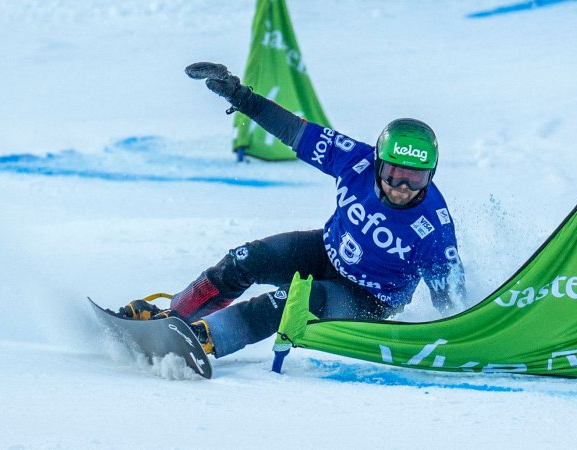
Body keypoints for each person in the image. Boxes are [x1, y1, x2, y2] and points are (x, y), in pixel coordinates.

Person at [118, 62, 466, 357]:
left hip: (368, 300)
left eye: (415, 180)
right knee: (245, 258)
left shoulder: (433, 229)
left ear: (431, 175)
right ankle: (171, 315)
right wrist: (240, 96)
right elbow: (293, 131)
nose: (402, 189)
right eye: (393, 175)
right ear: (377, 164)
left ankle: (203, 340)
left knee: (290, 303)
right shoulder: (354, 160)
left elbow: (456, 309)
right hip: (327, 252)